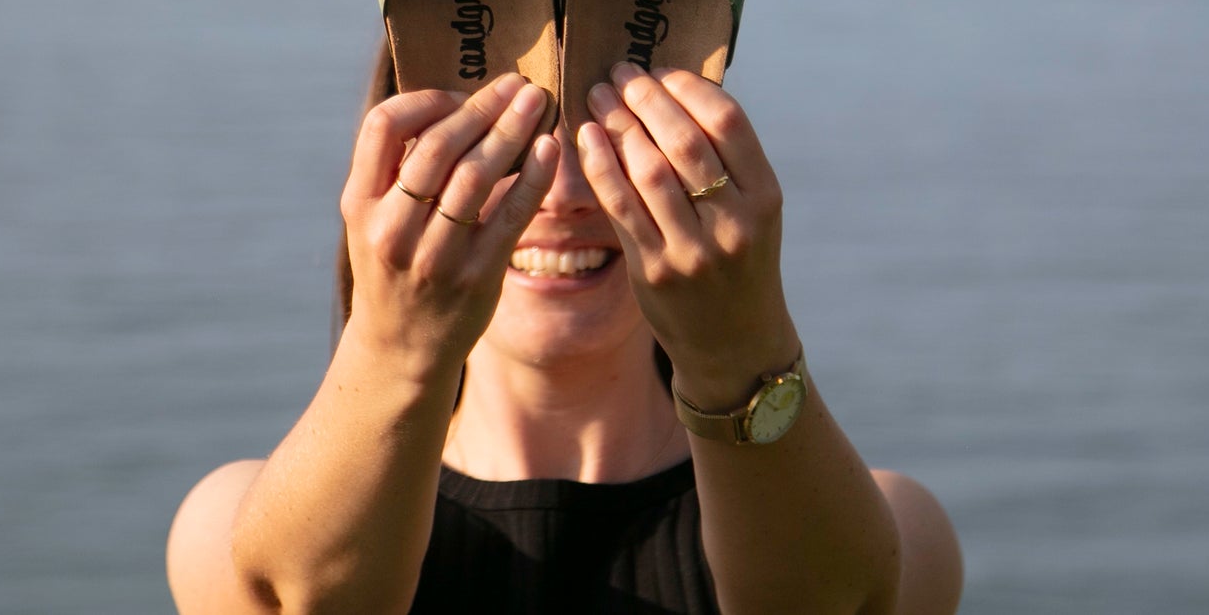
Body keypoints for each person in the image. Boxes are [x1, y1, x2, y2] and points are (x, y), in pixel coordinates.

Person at [166, 45, 964, 615]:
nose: (562, 191)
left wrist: (739, 344)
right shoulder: (231, 525)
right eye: (502, 135)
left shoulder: (892, 531)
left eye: (612, 132)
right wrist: (398, 343)